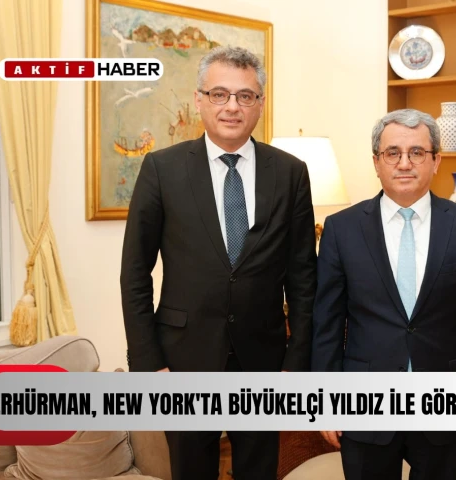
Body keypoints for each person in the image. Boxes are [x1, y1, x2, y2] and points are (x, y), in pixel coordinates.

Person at [120, 46, 317, 480]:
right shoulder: (162, 169)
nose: (232, 106)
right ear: (199, 100)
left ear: (260, 104)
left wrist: (296, 362)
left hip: (264, 359)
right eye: (219, 94)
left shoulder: (290, 173)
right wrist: (149, 363)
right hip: (182, 359)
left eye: (245, 96)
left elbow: (304, 278)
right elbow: (134, 273)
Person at [311, 108, 456, 480]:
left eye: (417, 152)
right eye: (393, 153)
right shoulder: (342, 229)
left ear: (436, 161)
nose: (404, 163)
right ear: (376, 162)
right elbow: (327, 324)